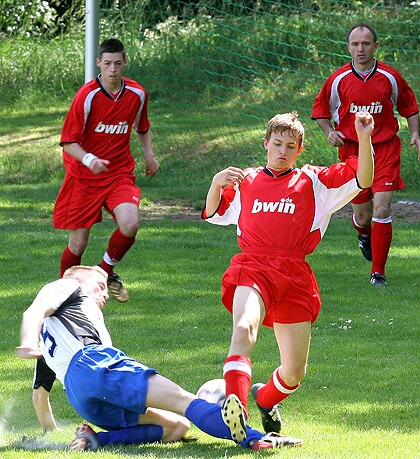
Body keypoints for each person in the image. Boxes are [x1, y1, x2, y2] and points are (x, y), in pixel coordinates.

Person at [203, 111, 374, 434]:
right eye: (277, 143)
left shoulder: (314, 181)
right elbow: (214, 213)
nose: (283, 151)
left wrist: (364, 138)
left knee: (294, 372)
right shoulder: (246, 180)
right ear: (266, 143)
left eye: (290, 146)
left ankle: (265, 398)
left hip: (294, 274)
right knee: (244, 329)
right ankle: (238, 415)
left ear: (300, 150)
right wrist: (215, 183)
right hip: (253, 266)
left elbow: (363, 179)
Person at [16, 265, 303, 451]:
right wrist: (27, 342)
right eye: (100, 285)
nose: (105, 294)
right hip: (97, 365)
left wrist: (49, 432)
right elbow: (33, 310)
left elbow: (40, 395)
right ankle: (255, 438)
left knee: (177, 426)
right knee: (184, 401)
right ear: (79, 279)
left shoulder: (51, 336)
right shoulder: (68, 285)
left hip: (81, 397)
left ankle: (95, 439)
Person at [311, 22, 420, 287]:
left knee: (382, 207)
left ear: (375, 46)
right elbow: (320, 110)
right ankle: (364, 234)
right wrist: (329, 132)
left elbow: (409, 106)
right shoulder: (337, 80)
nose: (360, 49)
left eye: (365, 44)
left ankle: (378, 272)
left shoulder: (390, 77)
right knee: (363, 217)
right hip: (353, 152)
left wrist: (415, 134)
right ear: (348, 47)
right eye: (355, 44)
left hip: (385, 149)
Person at [53, 38, 160, 302]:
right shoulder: (87, 95)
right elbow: (68, 141)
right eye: (108, 63)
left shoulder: (137, 94)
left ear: (125, 63)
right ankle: (63, 296)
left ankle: (104, 271)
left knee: (130, 223)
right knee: (78, 243)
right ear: (99, 63)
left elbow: (142, 127)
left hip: (118, 173)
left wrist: (149, 156)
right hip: (83, 177)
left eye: (118, 63)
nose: (113, 69)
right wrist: (90, 160)